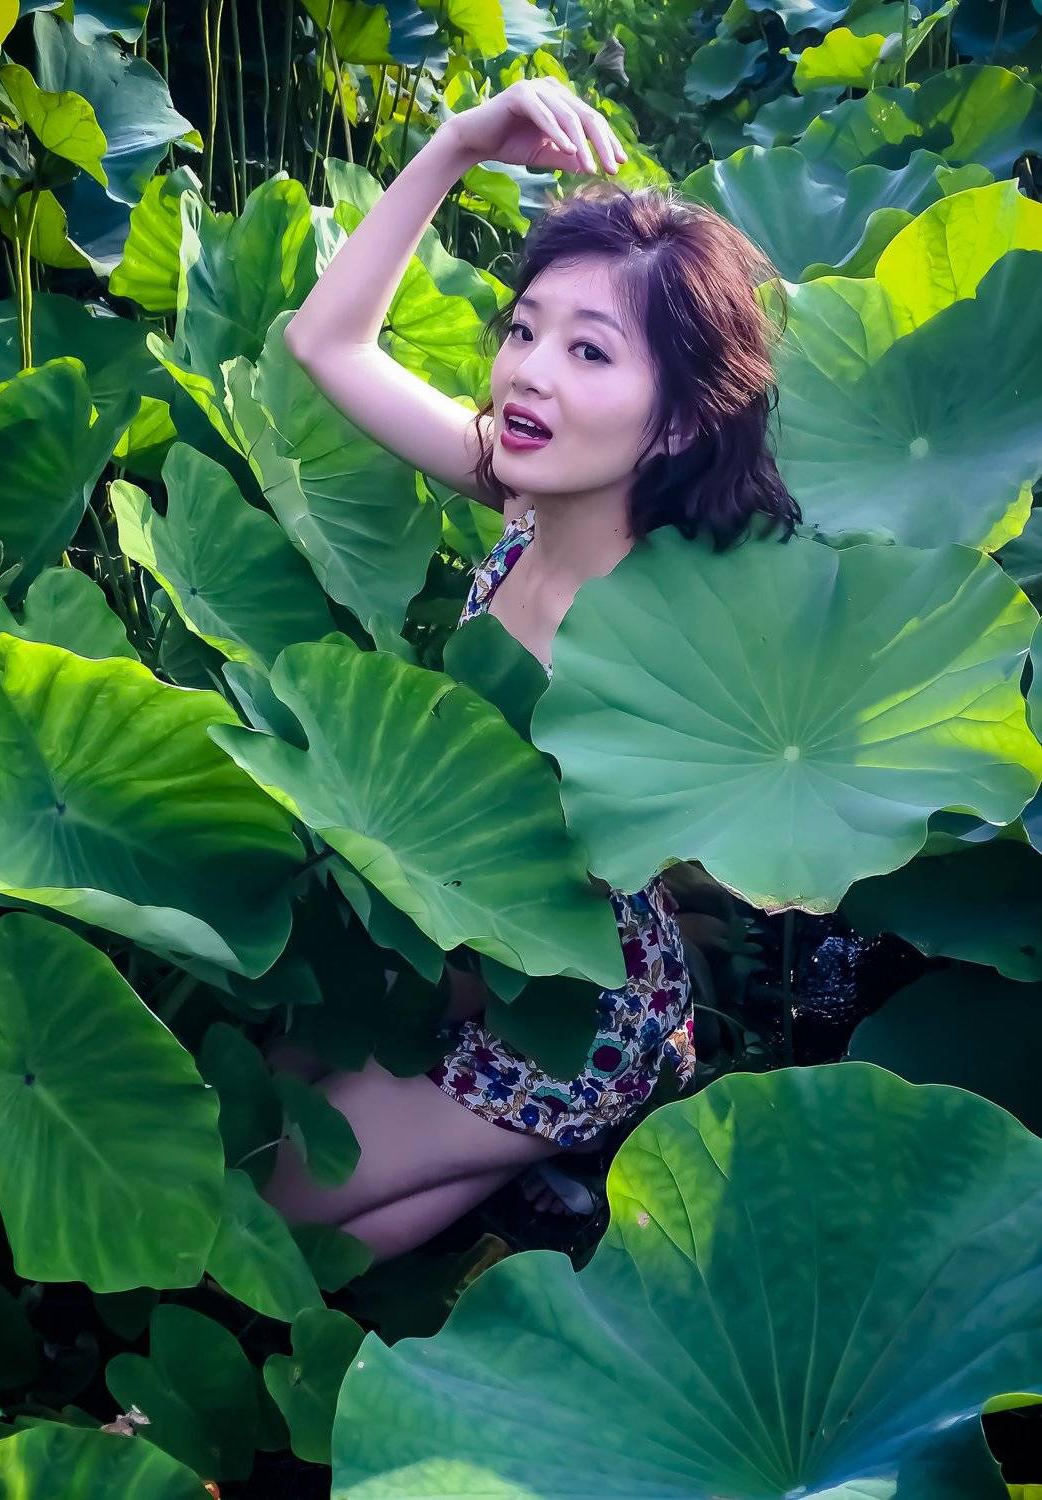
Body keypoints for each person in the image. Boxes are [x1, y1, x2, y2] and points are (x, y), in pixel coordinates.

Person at [263, 78, 801, 1262]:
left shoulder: (679, 634)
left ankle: (582, 1119)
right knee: (265, 1090)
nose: (527, 375)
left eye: (588, 350)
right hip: (464, 931)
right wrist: (457, 145)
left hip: (581, 1010)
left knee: (276, 1203)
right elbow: (324, 342)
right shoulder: (521, 501)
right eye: (524, 331)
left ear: (677, 421)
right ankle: (504, 1160)